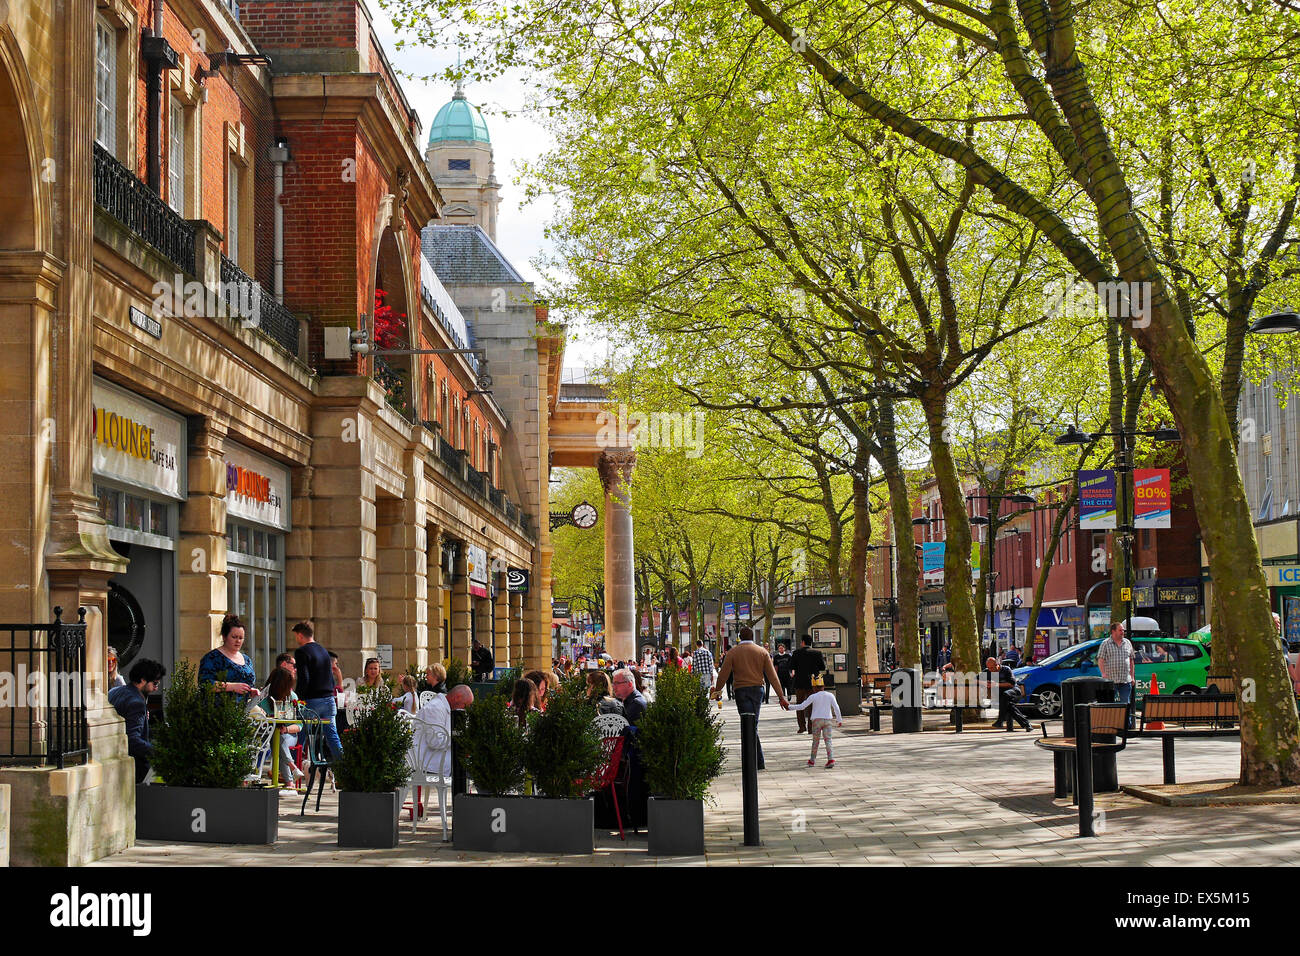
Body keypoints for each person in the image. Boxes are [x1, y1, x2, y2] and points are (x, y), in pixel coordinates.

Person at [711, 626, 787, 770]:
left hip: (741, 690)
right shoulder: (762, 652)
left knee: (748, 724)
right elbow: (773, 676)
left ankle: (756, 760)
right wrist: (781, 696)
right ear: (752, 637)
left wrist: (718, 692)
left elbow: (723, 674)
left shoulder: (733, 652)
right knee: (752, 724)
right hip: (758, 690)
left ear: (740, 636)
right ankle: (757, 761)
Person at [108, 658, 165, 783]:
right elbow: (133, 740)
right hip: (131, 767)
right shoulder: (136, 702)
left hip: (111, 758)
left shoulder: (114, 692)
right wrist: (158, 752)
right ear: (143, 680)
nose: (156, 688)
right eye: (155, 683)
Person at [293, 620, 343, 760]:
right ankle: (345, 769)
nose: (296, 640)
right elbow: (330, 677)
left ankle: (290, 770)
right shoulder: (324, 651)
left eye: (296, 636)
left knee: (298, 734)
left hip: (311, 700)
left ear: (300, 635)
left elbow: (304, 678)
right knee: (333, 737)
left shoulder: (301, 652)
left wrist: (298, 699)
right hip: (328, 699)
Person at [258, 667, 305, 787]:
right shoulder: (264, 697)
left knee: (278, 738)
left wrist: (286, 729)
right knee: (275, 735)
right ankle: (292, 771)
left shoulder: (292, 697)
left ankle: (290, 780)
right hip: (265, 733)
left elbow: (299, 725)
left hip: (288, 734)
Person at [414, 684, 473, 776]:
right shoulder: (434, 708)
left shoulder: (444, 707)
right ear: (457, 697)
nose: (465, 710)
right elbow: (435, 741)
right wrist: (461, 738)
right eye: (465, 706)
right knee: (476, 772)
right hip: (429, 762)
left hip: (441, 758)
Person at [199, 614, 259, 702]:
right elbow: (204, 683)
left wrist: (250, 691)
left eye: (241, 638)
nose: (238, 641)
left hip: (242, 710)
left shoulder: (247, 659)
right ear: (224, 637)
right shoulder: (212, 657)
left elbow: (246, 684)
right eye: (234, 637)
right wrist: (230, 686)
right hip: (219, 710)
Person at [787, 675, 843, 768]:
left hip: (816, 721)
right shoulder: (830, 695)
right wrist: (839, 719)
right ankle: (831, 759)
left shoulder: (813, 696)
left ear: (814, 687)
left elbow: (802, 706)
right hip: (828, 720)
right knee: (828, 740)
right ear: (823, 686)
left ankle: (812, 760)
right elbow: (836, 707)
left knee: (815, 741)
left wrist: (789, 707)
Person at [1097, 621, 1136, 729]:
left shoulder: (1127, 643)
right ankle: (1110, 726)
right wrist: (1103, 674)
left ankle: (1126, 727)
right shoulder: (1105, 643)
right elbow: (1100, 660)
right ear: (1113, 631)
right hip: (1111, 680)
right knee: (1110, 705)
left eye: (1123, 630)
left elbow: (1131, 660)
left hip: (1125, 680)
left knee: (1125, 704)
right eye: (1120, 630)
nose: (1122, 632)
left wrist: (1132, 677)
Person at [788, 634, 827, 734]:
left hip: (799, 682)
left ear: (803, 642)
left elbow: (791, 666)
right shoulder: (817, 653)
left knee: (799, 705)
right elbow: (822, 667)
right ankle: (811, 728)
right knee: (812, 705)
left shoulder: (796, 653)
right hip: (813, 683)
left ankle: (802, 727)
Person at [987, 656, 1031, 731]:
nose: (990, 670)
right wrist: (985, 683)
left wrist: (996, 684)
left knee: (1005, 696)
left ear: (997, 665)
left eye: (992, 668)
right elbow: (975, 679)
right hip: (1004, 697)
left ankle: (1000, 720)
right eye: (988, 668)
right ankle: (1027, 725)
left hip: (1014, 692)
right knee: (1009, 706)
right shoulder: (988, 671)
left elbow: (1012, 684)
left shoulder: (1006, 669)